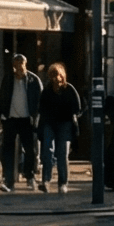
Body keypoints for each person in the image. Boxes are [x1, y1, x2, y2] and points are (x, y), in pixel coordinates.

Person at [0, 53, 40, 192]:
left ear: (25, 64)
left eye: (21, 64)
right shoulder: (8, 79)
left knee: (29, 149)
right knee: (8, 150)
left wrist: (37, 117)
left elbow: (39, 99)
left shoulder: (33, 80)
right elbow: (1, 96)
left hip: (27, 119)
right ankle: (9, 181)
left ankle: (29, 176)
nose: (18, 68)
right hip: (11, 119)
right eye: (16, 65)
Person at [36, 63, 82, 194]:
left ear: (63, 76)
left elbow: (77, 107)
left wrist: (72, 117)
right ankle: (46, 181)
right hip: (49, 123)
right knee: (47, 152)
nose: (56, 78)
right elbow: (41, 108)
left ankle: (63, 183)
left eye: (58, 75)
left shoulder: (69, 89)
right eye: (53, 75)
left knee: (62, 154)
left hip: (65, 123)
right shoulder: (47, 90)